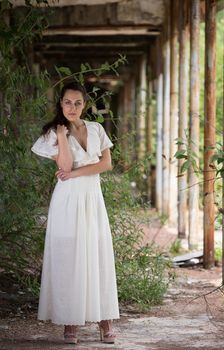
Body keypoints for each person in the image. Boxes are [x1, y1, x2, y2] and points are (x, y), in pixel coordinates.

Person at [31, 81, 119, 344]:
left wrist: (75, 173)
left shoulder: (96, 128)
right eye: (67, 102)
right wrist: (61, 137)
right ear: (60, 103)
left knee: (98, 253)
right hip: (67, 201)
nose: (72, 107)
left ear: (85, 104)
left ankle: (105, 322)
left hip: (92, 198)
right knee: (69, 256)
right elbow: (65, 164)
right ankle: (70, 324)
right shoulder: (52, 133)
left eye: (77, 103)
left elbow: (106, 164)